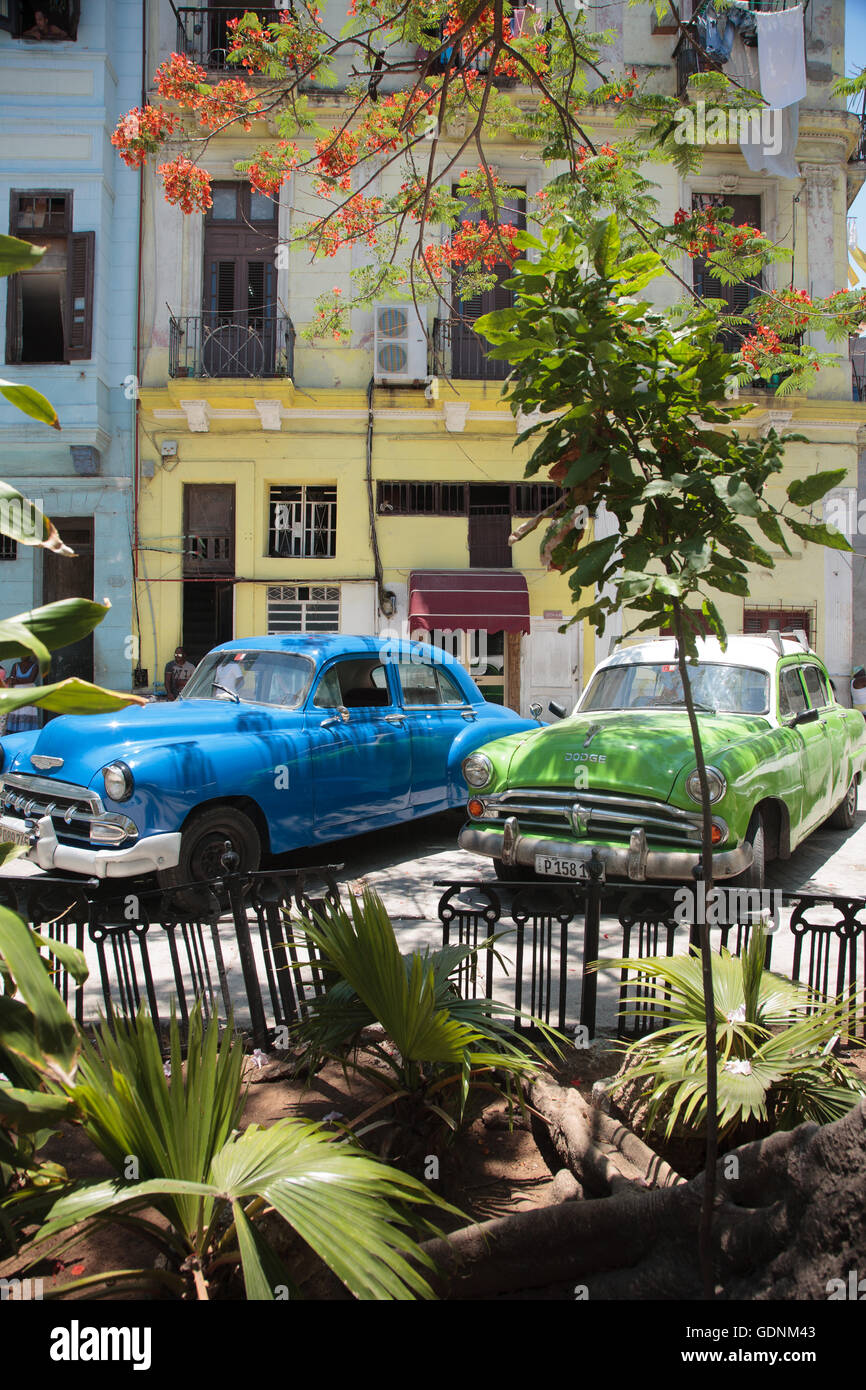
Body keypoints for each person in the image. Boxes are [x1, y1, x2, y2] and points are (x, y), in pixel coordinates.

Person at [6, 654, 41, 732]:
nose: (23, 656)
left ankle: (26, 731)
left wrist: (16, 680)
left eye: (25, 655)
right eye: (22, 655)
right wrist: (20, 680)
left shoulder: (35, 666)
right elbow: (12, 679)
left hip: (29, 692)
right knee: (17, 711)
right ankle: (14, 731)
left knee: (27, 711)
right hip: (18, 692)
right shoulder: (16, 665)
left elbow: (31, 680)